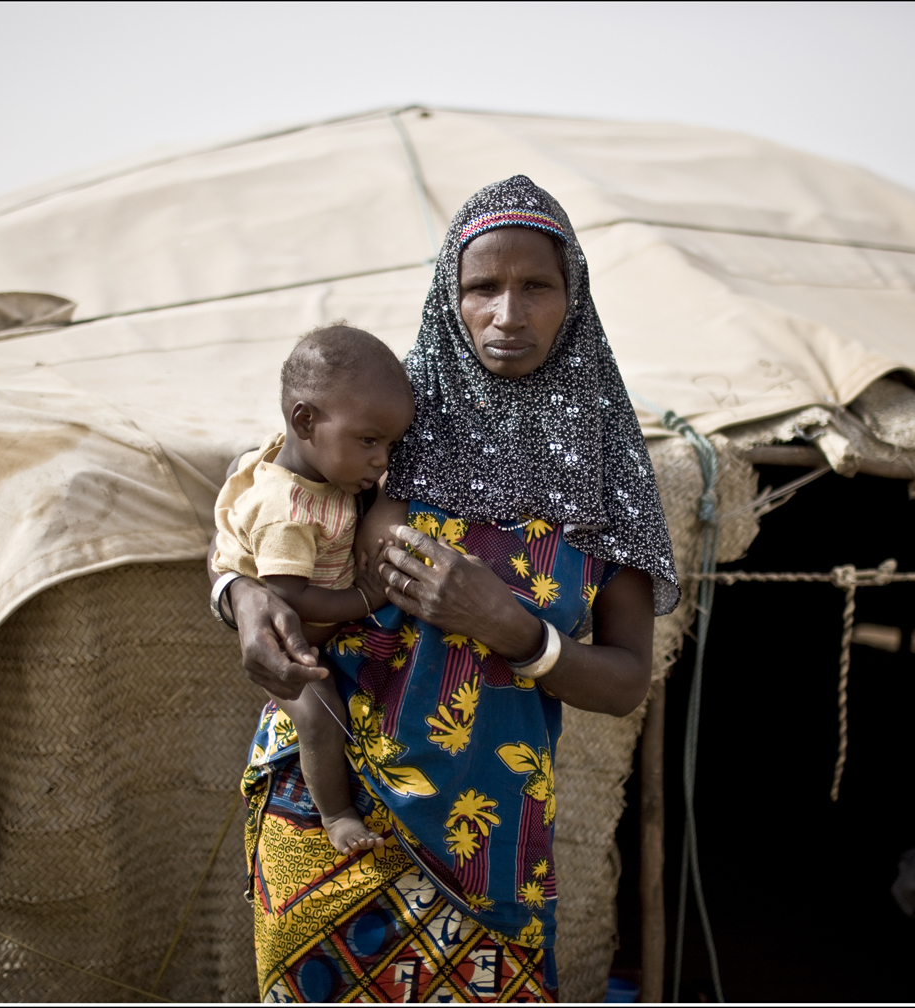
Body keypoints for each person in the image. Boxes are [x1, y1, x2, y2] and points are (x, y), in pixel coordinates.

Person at [209, 175, 679, 1003]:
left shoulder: (609, 464)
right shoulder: (385, 409)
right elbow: (258, 514)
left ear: (575, 296)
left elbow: (626, 680)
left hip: (486, 835)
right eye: (481, 287)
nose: (508, 314)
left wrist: (514, 630)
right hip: (326, 809)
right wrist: (239, 600)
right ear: (447, 295)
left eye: (536, 286)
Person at [212, 324, 414, 855]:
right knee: (321, 716)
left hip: (328, 636)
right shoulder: (286, 511)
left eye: (390, 445)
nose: (382, 460)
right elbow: (289, 597)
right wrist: (367, 599)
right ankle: (336, 815)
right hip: (292, 650)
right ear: (305, 421)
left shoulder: (326, 473)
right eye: (369, 441)